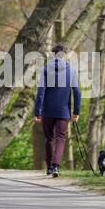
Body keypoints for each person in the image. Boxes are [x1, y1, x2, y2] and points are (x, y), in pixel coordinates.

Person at [34, 44, 81, 178]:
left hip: (47, 111)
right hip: (63, 112)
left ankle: (49, 168)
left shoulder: (45, 69)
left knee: (49, 139)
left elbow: (41, 92)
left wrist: (37, 112)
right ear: (64, 55)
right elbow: (77, 92)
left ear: (54, 55)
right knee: (60, 138)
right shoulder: (71, 70)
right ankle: (55, 166)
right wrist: (76, 112)